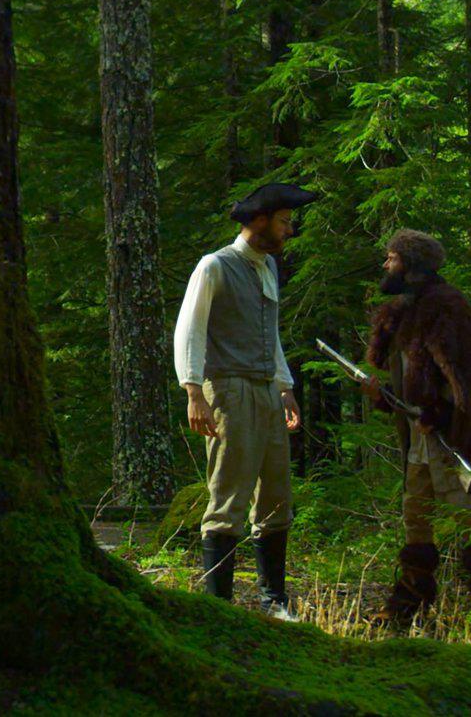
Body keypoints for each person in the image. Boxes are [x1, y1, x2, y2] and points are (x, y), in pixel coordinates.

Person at [172, 182, 315, 618]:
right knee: (228, 496)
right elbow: (189, 329)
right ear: (259, 220)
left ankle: (274, 601)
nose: (291, 230)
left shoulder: (266, 268)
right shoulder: (215, 265)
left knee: (275, 494)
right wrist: (193, 390)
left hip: (266, 389)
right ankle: (221, 609)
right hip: (227, 389)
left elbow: (269, 336)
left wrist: (285, 387)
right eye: (285, 221)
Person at [360, 229, 471, 623]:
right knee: (416, 510)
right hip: (423, 438)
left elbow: (470, 379)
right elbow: (415, 378)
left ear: (409, 263)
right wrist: (383, 395)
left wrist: (442, 416)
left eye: (391, 257)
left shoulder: (447, 307)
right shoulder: (407, 308)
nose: (386, 264)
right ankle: (411, 601)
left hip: (454, 432)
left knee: (468, 511)